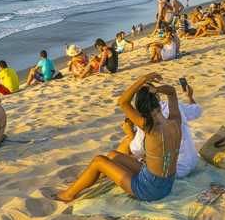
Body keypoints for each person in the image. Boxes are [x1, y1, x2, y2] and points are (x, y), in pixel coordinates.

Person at [54, 72, 181, 202]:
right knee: (113, 155)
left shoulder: (149, 127)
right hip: (167, 184)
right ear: (158, 104)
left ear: (141, 111)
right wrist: (157, 89)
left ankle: (67, 195)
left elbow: (122, 102)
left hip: (149, 190)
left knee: (98, 160)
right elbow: (172, 92)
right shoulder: (175, 122)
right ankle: (96, 175)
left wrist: (142, 79)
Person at [117, 82, 201, 178]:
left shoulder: (147, 121)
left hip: (175, 171)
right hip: (193, 162)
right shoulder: (176, 108)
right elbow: (197, 110)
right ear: (156, 95)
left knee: (123, 149)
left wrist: (130, 133)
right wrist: (190, 96)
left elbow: (137, 150)